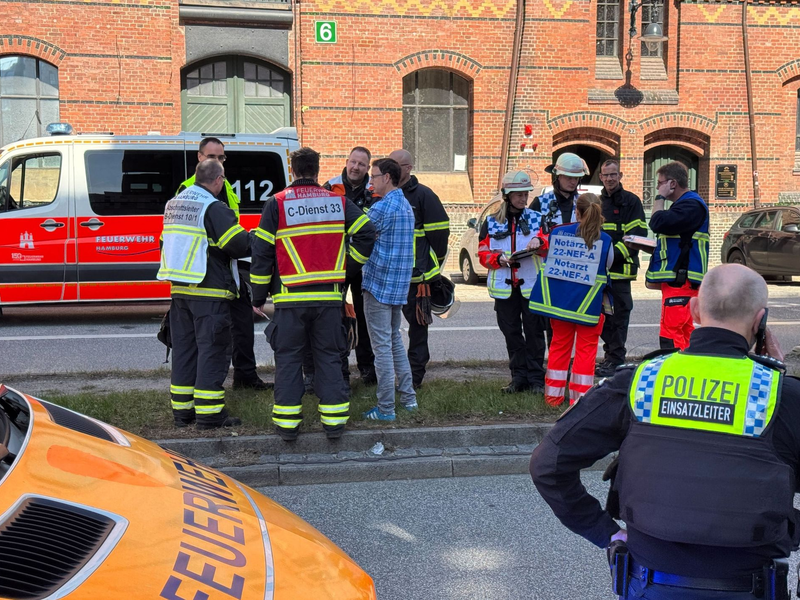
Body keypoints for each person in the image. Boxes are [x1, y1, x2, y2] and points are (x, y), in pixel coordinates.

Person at [530, 263, 799, 600]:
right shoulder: (781, 395)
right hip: (750, 586)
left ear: (694, 310)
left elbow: (547, 464)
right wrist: (780, 379)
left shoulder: (640, 382)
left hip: (650, 585)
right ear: (761, 321)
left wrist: (605, 533)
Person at [250, 147, 375, 441]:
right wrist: (346, 269)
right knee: (329, 357)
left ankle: (287, 426)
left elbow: (262, 252)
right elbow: (367, 233)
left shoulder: (277, 203)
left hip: (289, 299)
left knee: (289, 360)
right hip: (328, 299)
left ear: (292, 170)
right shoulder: (337, 201)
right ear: (317, 171)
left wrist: (257, 296)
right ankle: (334, 424)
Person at [158, 159, 249, 429]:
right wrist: (257, 238)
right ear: (219, 180)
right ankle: (210, 415)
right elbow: (237, 244)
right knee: (213, 350)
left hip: (180, 291)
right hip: (209, 291)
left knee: (185, 351)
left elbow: (165, 242)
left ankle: (182, 412)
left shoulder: (174, 204)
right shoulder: (213, 206)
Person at [177, 137, 271, 391]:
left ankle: (245, 376)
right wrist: (252, 240)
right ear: (200, 158)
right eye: (212, 157)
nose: (218, 161)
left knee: (243, 323)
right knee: (210, 338)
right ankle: (207, 389)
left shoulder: (225, 185)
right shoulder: (189, 189)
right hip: (206, 272)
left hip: (231, 267)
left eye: (221, 157)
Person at [529, 193, 613, 406]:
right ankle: (580, 401)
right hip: (589, 307)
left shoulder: (558, 233)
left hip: (561, 305)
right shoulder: (605, 240)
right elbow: (608, 265)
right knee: (586, 352)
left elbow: (547, 258)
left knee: (559, 347)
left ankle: (553, 397)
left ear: (577, 212)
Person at [477, 170, 547, 394]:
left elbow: (547, 245)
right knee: (512, 334)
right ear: (507, 195)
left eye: (526, 194)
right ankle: (519, 378)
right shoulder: (491, 222)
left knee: (535, 334)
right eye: (519, 195)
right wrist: (498, 259)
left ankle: (536, 380)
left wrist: (539, 242)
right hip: (504, 288)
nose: (524, 199)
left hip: (530, 287)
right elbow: (482, 253)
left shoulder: (537, 218)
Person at [360, 158, 417, 420]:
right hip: (398, 286)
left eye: (374, 176)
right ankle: (408, 399)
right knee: (394, 341)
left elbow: (358, 234)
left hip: (378, 284)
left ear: (387, 177)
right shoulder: (405, 205)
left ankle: (386, 409)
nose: (370, 181)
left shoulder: (382, 208)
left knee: (381, 347)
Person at [388, 150, 450, 389]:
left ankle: (414, 377)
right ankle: (384, 374)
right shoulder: (383, 194)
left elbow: (440, 236)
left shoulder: (424, 195)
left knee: (417, 329)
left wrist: (431, 265)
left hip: (417, 278)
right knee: (387, 328)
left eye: (396, 165)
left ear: (408, 168)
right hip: (391, 276)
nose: (391, 169)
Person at [324, 146, 377, 386]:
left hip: (365, 264)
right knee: (336, 316)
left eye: (361, 164)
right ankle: (339, 368)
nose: (356, 167)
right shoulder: (330, 187)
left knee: (365, 317)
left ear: (368, 167)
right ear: (346, 162)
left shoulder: (375, 190)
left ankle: (367, 367)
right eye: (353, 162)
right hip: (338, 264)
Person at [645, 162, 709, 350]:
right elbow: (677, 240)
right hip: (680, 280)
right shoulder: (685, 205)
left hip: (681, 280)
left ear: (672, 183)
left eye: (660, 183)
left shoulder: (691, 205)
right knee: (684, 330)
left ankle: (672, 365)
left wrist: (659, 198)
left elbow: (657, 222)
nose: (658, 187)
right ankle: (687, 365)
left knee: (671, 332)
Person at [595, 159, 647, 377]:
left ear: (620, 176)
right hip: (599, 273)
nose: (609, 179)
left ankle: (616, 360)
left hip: (620, 273)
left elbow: (637, 236)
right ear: (601, 177)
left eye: (613, 174)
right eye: (606, 175)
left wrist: (610, 256)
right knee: (601, 317)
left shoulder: (631, 202)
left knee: (619, 317)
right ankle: (611, 357)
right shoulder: (597, 203)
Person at [529, 152, 589, 231]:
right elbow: (530, 233)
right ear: (558, 176)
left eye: (576, 178)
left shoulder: (584, 203)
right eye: (569, 177)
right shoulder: (540, 202)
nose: (573, 182)